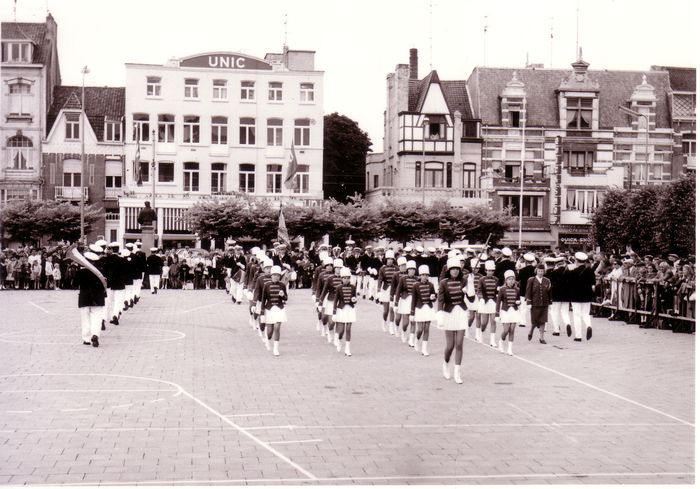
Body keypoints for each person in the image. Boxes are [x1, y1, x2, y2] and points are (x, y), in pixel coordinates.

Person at [437, 257, 468, 384]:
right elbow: (440, 300)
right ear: (449, 270)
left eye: (457, 269)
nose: (455, 271)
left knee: (459, 344)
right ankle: (445, 363)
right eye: (453, 269)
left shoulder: (464, 280)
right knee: (450, 346)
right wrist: (439, 313)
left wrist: (470, 287)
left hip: (461, 313)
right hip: (449, 313)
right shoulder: (443, 283)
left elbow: (471, 299)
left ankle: (457, 373)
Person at [75, 251, 107, 348]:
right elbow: (106, 284)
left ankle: (86, 339)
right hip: (98, 298)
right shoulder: (101, 271)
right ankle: (95, 335)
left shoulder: (80, 272)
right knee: (97, 318)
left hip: (84, 298)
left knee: (85, 319)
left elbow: (74, 284)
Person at [260, 265, 288, 356]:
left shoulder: (282, 285)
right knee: (269, 332)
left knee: (277, 327)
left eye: (278, 275)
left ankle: (276, 348)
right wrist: (262, 313)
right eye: (274, 275)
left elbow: (286, 298)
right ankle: (268, 339)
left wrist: (283, 295)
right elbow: (263, 300)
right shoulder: (266, 285)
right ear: (271, 275)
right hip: (269, 309)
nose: (276, 277)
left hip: (279, 308)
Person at [569, 251, 596, 341]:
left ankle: (578, 336)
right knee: (585, 314)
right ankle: (588, 325)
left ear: (577, 261)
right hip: (587, 296)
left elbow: (569, 284)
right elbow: (593, 284)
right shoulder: (590, 271)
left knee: (577, 315)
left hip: (575, 296)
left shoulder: (573, 272)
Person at [411, 264, 436, 356]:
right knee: (420, 329)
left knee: (426, 329)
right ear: (420, 275)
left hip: (428, 308)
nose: (425, 277)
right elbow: (413, 300)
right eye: (423, 275)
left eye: (426, 275)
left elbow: (434, 297)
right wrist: (412, 313)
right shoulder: (415, 285)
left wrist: (433, 298)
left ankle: (424, 349)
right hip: (419, 309)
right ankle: (416, 340)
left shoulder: (431, 285)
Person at [333, 267, 357, 356]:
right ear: (342, 279)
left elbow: (354, 298)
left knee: (348, 329)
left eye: (348, 278)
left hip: (350, 309)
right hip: (341, 309)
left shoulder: (353, 287)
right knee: (341, 330)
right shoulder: (338, 288)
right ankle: (339, 340)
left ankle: (347, 348)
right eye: (344, 278)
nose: (346, 280)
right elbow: (336, 301)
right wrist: (334, 313)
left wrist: (354, 300)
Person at [526, 264, 552, 344]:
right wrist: (529, 302)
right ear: (536, 271)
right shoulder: (531, 280)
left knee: (543, 321)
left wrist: (550, 302)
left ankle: (541, 338)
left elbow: (549, 292)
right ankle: (531, 331)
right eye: (539, 271)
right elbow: (528, 291)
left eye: (542, 271)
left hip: (544, 303)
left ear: (544, 272)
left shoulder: (547, 280)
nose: (540, 273)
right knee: (535, 321)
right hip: (535, 303)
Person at [496, 270, 520, 355]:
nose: (511, 281)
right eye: (509, 279)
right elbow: (498, 302)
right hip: (505, 311)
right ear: (506, 280)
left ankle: (510, 349)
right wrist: (497, 314)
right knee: (506, 330)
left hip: (514, 311)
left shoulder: (517, 289)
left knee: (512, 330)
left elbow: (518, 300)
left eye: (513, 279)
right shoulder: (502, 289)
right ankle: (501, 341)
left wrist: (519, 302)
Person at [395, 260, 419, 345]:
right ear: (407, 270)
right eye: (410, 269)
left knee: (413, 321)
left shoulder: (417, 279)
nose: (412, 271)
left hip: (414, 302)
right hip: (405, 301)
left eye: (413, 269)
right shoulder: (403, 279)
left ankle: (411, 340)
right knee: (405, 323)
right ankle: (404, 332)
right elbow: (398, 291)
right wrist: (396, 303)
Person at [477, 260, 499, 347]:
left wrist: (498, 292)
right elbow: (479, 290)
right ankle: (481, 333)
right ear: (486, 271)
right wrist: (481, 297)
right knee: (484, 322)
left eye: (492, 271)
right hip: (485, 302)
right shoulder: (481, 279)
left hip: (493, 302)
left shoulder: (496, 279)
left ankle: (492, 340)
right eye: (489, 270)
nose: (490, 272)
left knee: (493, 321)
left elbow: (497, 291)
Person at [377, 250, 399, 334]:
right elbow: (380, 280)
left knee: (392, 309)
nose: (390, 260)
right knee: (386, 310)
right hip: (386, 290)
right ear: (386, 259)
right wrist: (378, 290)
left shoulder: (396, 268)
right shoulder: (382, 268)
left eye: (391, 259)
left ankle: (391, 327)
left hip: (394, 290)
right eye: (388, 259)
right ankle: (384, 322)